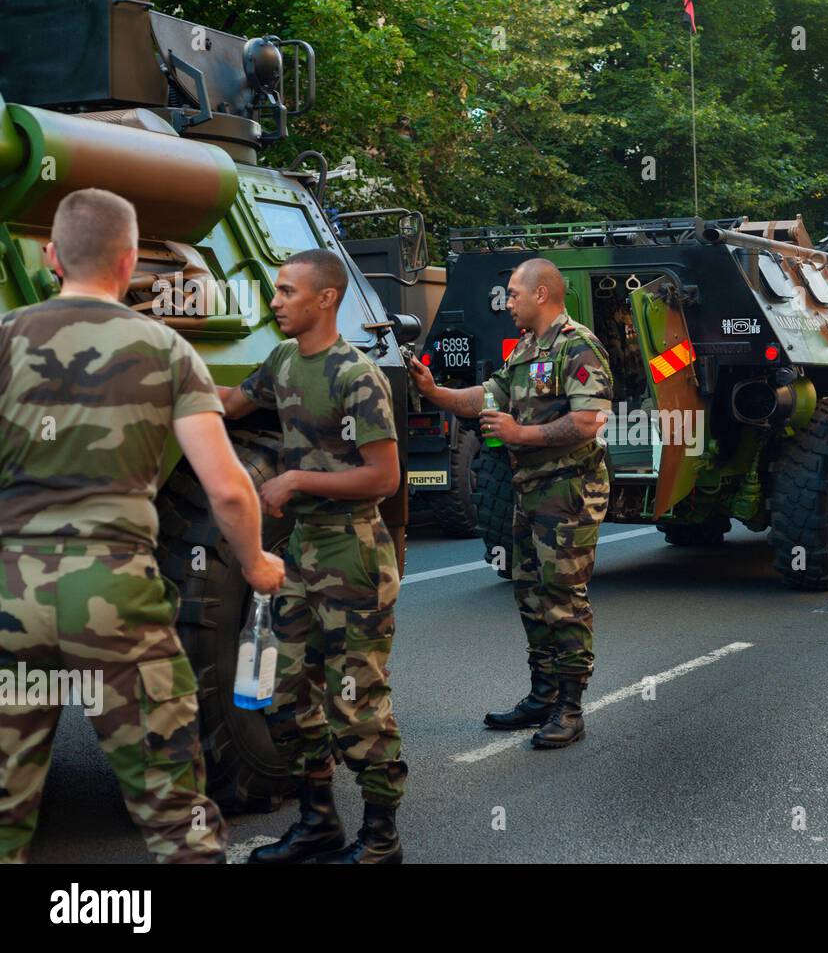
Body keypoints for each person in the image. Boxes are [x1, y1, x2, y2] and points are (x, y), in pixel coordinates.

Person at [0, 188, 284, 864]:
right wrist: (255, 566)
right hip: (117, 597)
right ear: (131, 262)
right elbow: (230, 490)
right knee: (173, 809)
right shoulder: (167, 350)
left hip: (12, 597)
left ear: (49, 257)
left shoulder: (5, 341)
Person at [218, 249, 407, 864]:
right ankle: (318, 822)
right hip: (299, 556)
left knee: (355, 699)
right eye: (275, 291)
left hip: (352, 555)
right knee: (280, 694)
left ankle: (381, 838)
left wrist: (297, 482)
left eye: (286, 291)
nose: (275, 301)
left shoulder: (357, 375)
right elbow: (231, 403)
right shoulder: (281, 360)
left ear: (325, 299)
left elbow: (384, 478)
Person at [409, 258, 612, 749]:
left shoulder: (577, 346)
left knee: (563, 599)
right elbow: (486, 397)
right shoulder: (525, 348)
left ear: (542, 294)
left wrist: (522, 433)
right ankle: (542, 695)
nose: (507, 303)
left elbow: (589, 421)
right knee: (530, 593)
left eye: (514, 294)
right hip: (533, 490)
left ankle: (570, 706)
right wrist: (433, 391)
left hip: (570, 492)